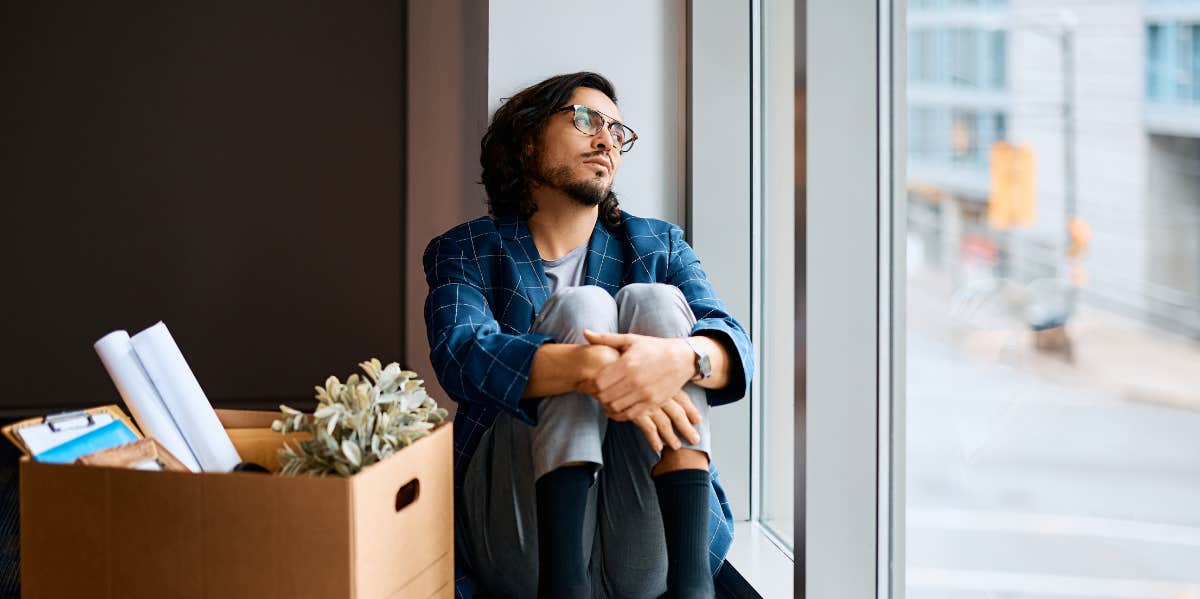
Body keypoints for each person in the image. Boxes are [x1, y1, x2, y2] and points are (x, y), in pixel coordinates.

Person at [423, 72, 753, 599]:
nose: (606, 140)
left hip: (649, 544)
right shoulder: (467, 249)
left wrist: (680, 359)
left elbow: (734, 343)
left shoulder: (656, 243)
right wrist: (589, 366)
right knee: (583, 308)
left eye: (617, 131)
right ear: (528, 141)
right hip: (521, 536)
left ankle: (695, 588)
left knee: (658, 303)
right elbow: (460, 354)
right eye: (585, 120)